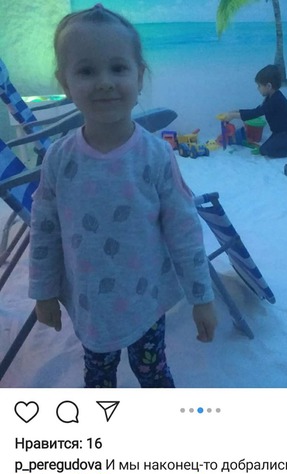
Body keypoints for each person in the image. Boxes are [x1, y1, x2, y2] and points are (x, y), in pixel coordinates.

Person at [28, 4, 217, 388]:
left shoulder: (155, 155)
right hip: (90, 305)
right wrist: (43, 292)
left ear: (139, 76)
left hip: (145, 300)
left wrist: (202, 297)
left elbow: (183, 230)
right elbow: (44, 231)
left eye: (117, 68)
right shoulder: (59, 159)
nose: (104, 82)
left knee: (153, 372)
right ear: (65, 82)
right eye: (86, 71)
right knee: (99, 377)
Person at [221, 65, 287, 158]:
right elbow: (257, 110)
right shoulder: (270, 97)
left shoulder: (276, 100)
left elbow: (256, 113)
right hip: (279, 133)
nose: (258, 88)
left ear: (269, 86)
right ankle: (281, 145)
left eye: (259, 86)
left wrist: (233, 116)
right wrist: (236, 111)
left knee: (268, 151)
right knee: (263, 150)